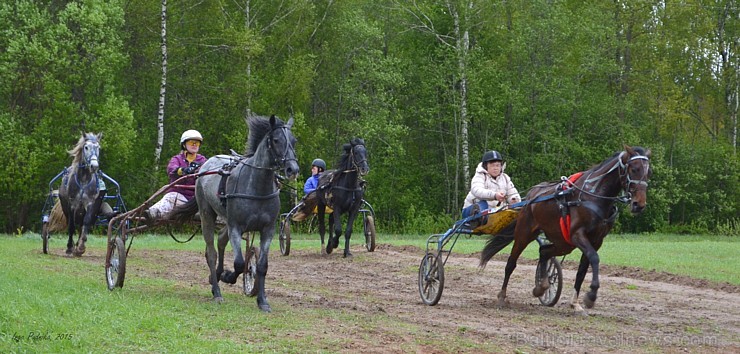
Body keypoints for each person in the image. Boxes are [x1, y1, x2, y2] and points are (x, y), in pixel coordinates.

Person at [145, 130, 207, 220]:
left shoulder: (203, 160)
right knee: (171, 197)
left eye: (197, 143)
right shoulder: (177, 159)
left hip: (196, 198)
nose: (194, 145)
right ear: (184, 144)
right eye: (191, 142)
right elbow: (171, 170)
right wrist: (184, 170)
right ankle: (154, 212)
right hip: (179, 194)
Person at [461, 150, 521, 227]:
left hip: (495, 214)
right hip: (469, 212)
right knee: (483, 204)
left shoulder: (505, 178)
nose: (495, 168)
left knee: (515, 209)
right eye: (492, 165)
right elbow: (477, 191)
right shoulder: (479, 176)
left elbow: (513, 194)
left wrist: (514, 200)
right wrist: (495, 195)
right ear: (486, 166)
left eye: (498, 165)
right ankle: (478, 219)